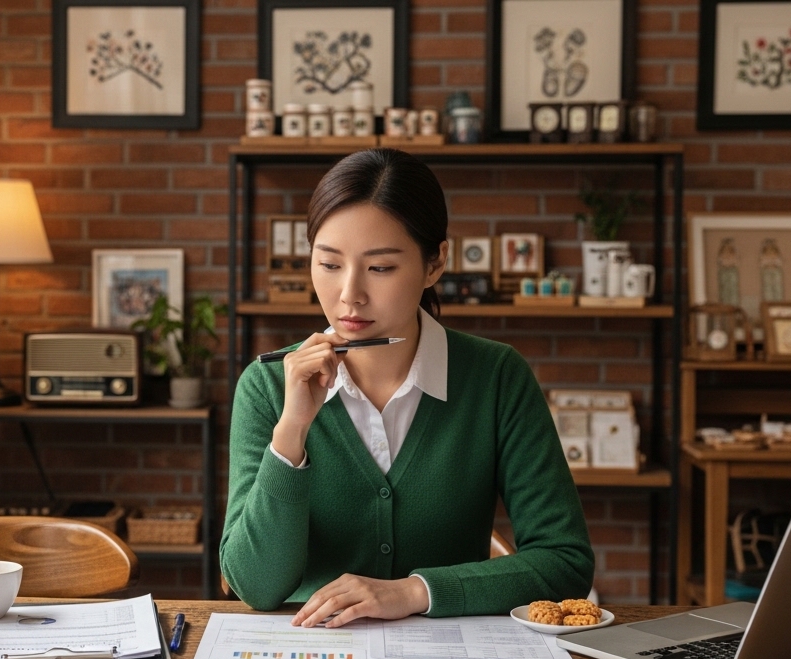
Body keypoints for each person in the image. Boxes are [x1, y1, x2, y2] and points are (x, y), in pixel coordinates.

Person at [221, 148, 594, 628]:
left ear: (435, 263)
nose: (348, 293)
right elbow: (256, 586)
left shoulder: (496, 376)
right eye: (329, 264)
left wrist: (416, 592)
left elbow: (565, 562)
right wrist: (292, 432)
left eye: (380, 268)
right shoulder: (267, 385)